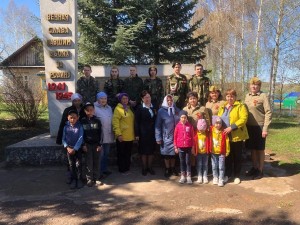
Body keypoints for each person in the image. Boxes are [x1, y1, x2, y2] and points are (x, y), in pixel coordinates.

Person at [218, 89, 249, 184]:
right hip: (225, 136)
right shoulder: (223, 106)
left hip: (237, 135)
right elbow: (219, 117)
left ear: (235, 97)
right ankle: (228, 174)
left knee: (237, 156)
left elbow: (244, 118)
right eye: (228, 96)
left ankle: (237, 175)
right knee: (227, 156)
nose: (230, 98)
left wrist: (231, 127)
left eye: (232, 96)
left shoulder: (241, 106)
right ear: (225, 97)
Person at [244, 77, 272, 179]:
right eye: (252, 84)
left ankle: (260, 170)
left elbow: (268, 112)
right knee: (252, 149)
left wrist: (265, 128)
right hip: (249, 127)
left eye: (256, 85)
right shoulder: (247, 96)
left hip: (260, 127)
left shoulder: (263, 96)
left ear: (259, 86)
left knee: (260, 149)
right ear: (250, 86)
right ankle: (254, 168)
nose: (254, 86)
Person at [183, 91, 210, 176]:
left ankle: (201, 169)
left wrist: (208, 129)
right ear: (188, 100)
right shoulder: (185, 109)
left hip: (199, 133)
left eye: (194, 98)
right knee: (190, 150)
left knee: (199, 150)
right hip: (188, 133)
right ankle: (192, 168)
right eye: (190, 99)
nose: (192, 100)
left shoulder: (202, 108)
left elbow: (207, 120)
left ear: (197, 99)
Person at [155, 94, 180, 178]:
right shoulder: (161, 111)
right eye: (168, 100)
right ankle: (167, 168)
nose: (170, 102)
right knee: (166, 154)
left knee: (173, 154)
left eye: (171, 100)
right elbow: (158, 125)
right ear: (165, 101)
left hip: (175, 136)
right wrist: (158, 137)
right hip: (166, 136)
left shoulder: (176, 109)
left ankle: (173, 168)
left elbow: (182, 116)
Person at [134, 90, 157, 176]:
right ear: (142, 99)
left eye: (149, 97)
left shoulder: (154, 107)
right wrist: (137, 134)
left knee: (151, 151)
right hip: (143, 134)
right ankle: (144, 168)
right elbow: (136, 122)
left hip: (152, 133)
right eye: (145, 97)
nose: (147, 99)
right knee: (143, 152)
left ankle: (150, 167)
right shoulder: (139, 108)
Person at [81, 102, 102, 187]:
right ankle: (89, 179)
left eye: (91, 110)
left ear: (94, 110)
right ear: (85, 111)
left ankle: (96, 178)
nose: (90, 111)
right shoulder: (82, 121)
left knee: (96, 161)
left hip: (96, 144)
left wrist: (99, 144)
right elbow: (81, 134)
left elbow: (100, 133)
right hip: (87, 145)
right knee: (88, 162)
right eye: (88, 110)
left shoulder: (97, 120)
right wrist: (83, 145)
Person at [112, 93, 135, 173]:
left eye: (126, 98)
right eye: (123, 99)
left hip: (130, 136)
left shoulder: (128, 108)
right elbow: (115, 122)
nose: (125, 100)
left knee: (128, 153)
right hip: (122, 136)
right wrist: (118, 134)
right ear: (120, 100)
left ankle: (127, 167)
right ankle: (122, 169)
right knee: (121, 153)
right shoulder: (117, 109)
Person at [94, 92, 114, 178]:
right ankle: (99, 172)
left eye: (105, 98)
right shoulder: (94, 108)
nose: (103, 100)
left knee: (106, 154)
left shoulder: (109, 108)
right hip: (99, 136)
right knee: (100, 155)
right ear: (98, 99)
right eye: (101, 98)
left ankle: (104, 169)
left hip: (108, 135)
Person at [62, 110, 84, 189]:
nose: (72, 119)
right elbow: (63, 139)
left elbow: (80, 138)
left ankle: (79, 179)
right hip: (69, 149)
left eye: (74, 118)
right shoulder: (65, 127)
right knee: (71, 164)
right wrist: (67, 147)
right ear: (68, 118)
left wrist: (75, 148)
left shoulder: (80, 126)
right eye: (71, 118)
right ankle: (74, 179)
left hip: (77, 149)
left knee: (79, 164)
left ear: (77, 118)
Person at [174, 110, 195, 184]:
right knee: (182, 161)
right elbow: (175, 137)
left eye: (185, 117)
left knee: (188, 162)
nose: (183, 119)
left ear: (187, 118)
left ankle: (188, 176)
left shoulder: (190, 126)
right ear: (180, 118)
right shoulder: (177, 126)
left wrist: (193, 147)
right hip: (180, 147)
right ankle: (183, 176)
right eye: (182, 117)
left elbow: (193, 137)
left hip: (188, 147)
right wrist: (175, 147)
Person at [210, 116, 230, 187]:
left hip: (222, 152)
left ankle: (221, 179)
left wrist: (227, 150)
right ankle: (215, 177)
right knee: (214, 166)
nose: (218, 125)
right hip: (213, 152)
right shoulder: (211, 130)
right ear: (213, 123)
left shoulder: (224, 132)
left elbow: (227, 141)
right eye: (216, 123)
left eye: (219, 123)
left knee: (221, 167)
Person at [194, 118, 210, 184]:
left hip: (205, 153)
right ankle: (200, 176)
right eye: (200, 130)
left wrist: (209, 150)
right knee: (199, 165)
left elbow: (209, 142)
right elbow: (194, 143)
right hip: (199, 153)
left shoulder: (207, 134)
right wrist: (194, 151)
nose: (201, 131)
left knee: (205, 165)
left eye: (203, 130)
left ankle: (205, 176)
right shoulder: (196, 135)